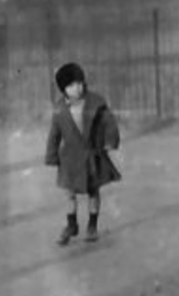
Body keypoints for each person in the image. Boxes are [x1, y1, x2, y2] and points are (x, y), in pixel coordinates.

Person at [45, 62, 121, 246]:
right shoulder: (59, 109)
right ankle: (71, 225)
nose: (76, 88)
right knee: (69, 193)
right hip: (69, 159)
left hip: (91, 155)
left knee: (93, 191)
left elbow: (109, 122)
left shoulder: (96, 102)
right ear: (64, 89)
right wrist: (51, 154)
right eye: (70, 85)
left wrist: (110, 141)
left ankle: (92, 225)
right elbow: (54, 133)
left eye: (79, 83)